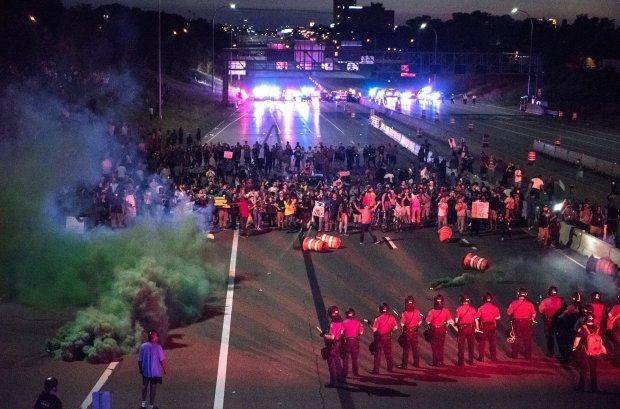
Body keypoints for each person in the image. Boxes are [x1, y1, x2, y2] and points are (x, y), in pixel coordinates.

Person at [572, 313, 606, 392]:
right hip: (594, 351)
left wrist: (574, 348)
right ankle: (594, 387)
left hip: (585, 351)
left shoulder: (582, 329)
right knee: (593, 369)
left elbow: (577, 340)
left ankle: (581, 387)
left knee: (583, 369)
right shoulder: (597, 328)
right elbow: (600, 340)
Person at [139, 330, 166, 409]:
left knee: (144, 386)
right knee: (153, 388)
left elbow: (139, 360)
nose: (157, 337)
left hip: (145, 371)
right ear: (153, 338)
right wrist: (164, 368)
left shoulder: (143, 346)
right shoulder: (158, 347)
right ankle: (151, 406)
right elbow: (161, 360)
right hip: (155, 372)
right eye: (156, 336)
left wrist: (140, 369)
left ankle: (143, 405)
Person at [507, 288, 537, 359]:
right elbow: (534, 313)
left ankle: (514, 355)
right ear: (526, 294)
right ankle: (528, 355)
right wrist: (532, 319)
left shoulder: (513, 303)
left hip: (516, 323)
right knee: (527, 339)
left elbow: (508, 312)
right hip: (527, 323)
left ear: (518, 294)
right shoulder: (530, 304)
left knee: (515, 338)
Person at [371, 302, 398, 374]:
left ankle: (376, 370)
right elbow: (396, 327)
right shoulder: (391, 317)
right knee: (388, 353)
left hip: (380, 338)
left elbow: (374, 330)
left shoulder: (378, 319)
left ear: (380, 310)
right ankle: (390, 368)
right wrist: (390, 329)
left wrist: (371, 326)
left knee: (377, 354)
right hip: (388, 337)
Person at [426, 294, 453, 367]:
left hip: (435, 330)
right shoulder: (446, 311)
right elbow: (449, 321)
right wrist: (445, 326)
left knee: (434, 347)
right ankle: (441, 361)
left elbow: (428, 322)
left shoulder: (432, 311)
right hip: (442, 330)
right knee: (441, 346)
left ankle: (436, 362)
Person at [321, 306, 344, 387]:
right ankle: (340, 378)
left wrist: (324, 335)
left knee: (331, 363)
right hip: (339, 343)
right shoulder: (341, 321)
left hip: (333, 345)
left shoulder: (333, 324)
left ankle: (333, 382)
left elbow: (332, 337)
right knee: (337, 361)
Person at [398, 296, 423, 369]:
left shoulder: (405, 313)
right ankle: (416, 363)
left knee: (406, 349)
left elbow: (402, 324)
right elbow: (420, 321)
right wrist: (416, 326)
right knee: (415, 348)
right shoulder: (417, 312)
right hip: (414, 332)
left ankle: (404, 365)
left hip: (407, 332)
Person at [538, 286, 564, 357]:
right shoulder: (560, 300)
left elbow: (540, 310)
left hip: (548, 320)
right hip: (559, 320)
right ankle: (563, 353)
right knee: (559, 336)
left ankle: (551, 352)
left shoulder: (545, 301)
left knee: (549, 336)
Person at [475, 292, 501, 362]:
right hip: (492, 326)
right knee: (492, 342)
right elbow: (498, 317)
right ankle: (493, 357)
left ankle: (481, 358)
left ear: (484, 299)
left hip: (484, 326)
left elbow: (476, 318)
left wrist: (477, 328)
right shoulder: (495, 308)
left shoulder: (481, 308)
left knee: (482, 342)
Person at [455, 293, 477, 366]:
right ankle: (471, 361)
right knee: (471, 345)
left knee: (461, 345)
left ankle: (461, 362)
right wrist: (477, 328)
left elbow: (456, 320)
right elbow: (476, 319)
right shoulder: (473, 308)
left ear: (462, 300)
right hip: (471, 328)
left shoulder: (459, 309)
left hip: (462, 328)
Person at [341, 307, 363, 378]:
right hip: (355, 342)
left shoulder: (343, 323)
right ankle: (356, 373)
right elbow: (361, 332)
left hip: (346, 342)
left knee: (345, 359)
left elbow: (341, 332)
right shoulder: (358, 322)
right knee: (354, 359)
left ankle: (344, 374)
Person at [607, 300, 620, 367]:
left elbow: (609, 314)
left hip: (617, 329)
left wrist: (612, 319)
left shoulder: (616, 307)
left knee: (617, 347)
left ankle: (616, 363)